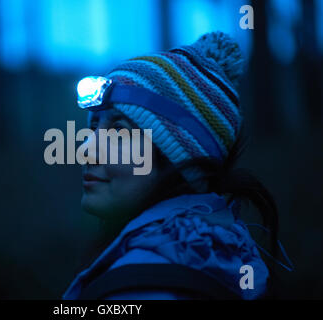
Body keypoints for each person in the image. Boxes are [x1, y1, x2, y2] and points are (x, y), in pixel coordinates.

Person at [62, 31, 290, 300]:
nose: (86, 149)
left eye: (119, 131)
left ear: (180, 156)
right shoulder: (219, 255)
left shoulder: (144, 285)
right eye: (93, 127)